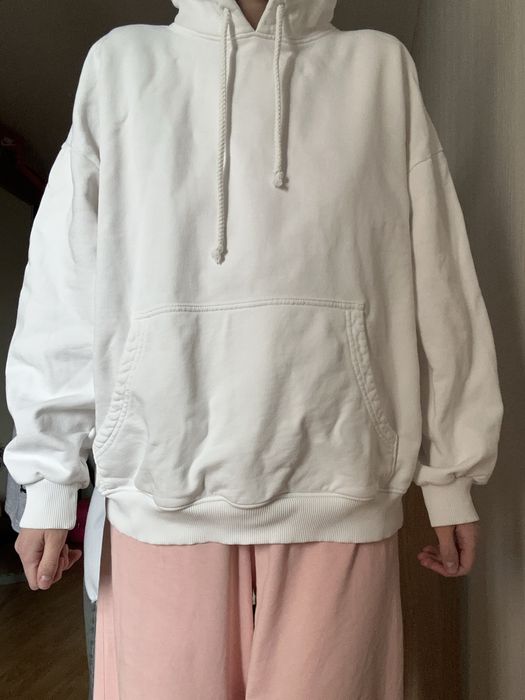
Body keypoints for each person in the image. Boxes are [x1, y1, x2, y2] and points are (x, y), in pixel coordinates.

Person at [3, 0, 504, 697]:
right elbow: (66, 281)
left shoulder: (377, 70)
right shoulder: (121, 67)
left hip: (339, 484)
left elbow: (438, 277)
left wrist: (450, 475)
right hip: (163, 487)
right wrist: (49, 481)